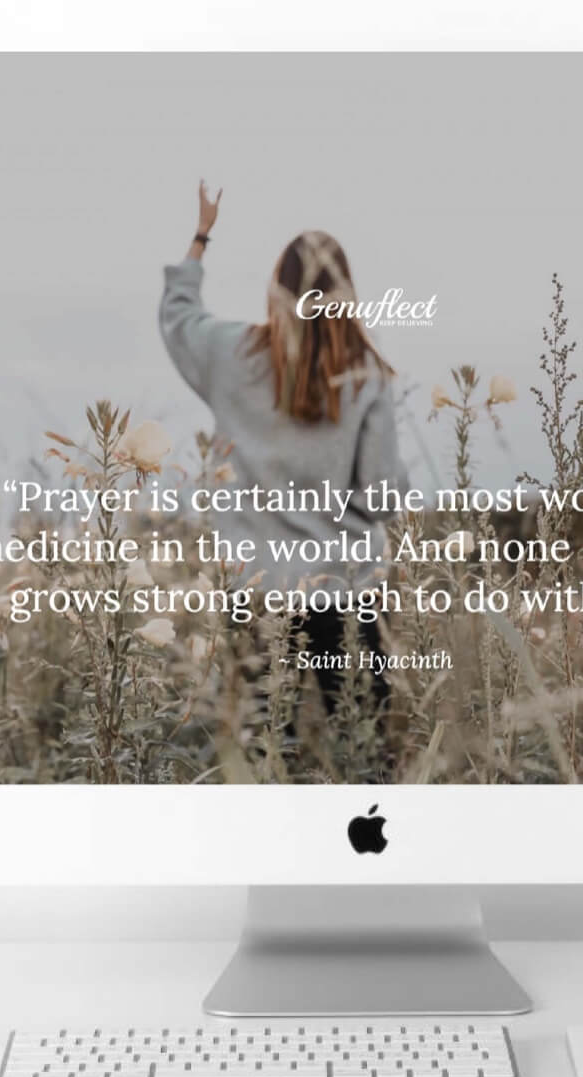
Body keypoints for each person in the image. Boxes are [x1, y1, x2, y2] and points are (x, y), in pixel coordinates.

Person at [159, 181, 408, 714]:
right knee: (362, 745)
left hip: (255, 589)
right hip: (346, 591)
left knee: (266, 744)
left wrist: (202, 235)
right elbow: (384, 494)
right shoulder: (364, 377)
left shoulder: (231, 354)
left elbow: (178, 315)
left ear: (276, 287)